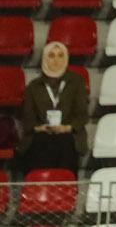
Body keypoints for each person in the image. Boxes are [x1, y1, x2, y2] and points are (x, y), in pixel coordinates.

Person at [18, 41, 89, 173]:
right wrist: (39, 128)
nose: (56, 60)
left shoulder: (76, 82)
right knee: (41, 141)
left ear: (66, 58)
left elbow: (82, 115)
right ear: (45, 59)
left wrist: (66, 128)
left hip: (68, 134)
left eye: (60, 55)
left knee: (65, 141)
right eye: (51, 56)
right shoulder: (34, 86)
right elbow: (28, 118)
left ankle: (66, 184)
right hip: (41, 135)